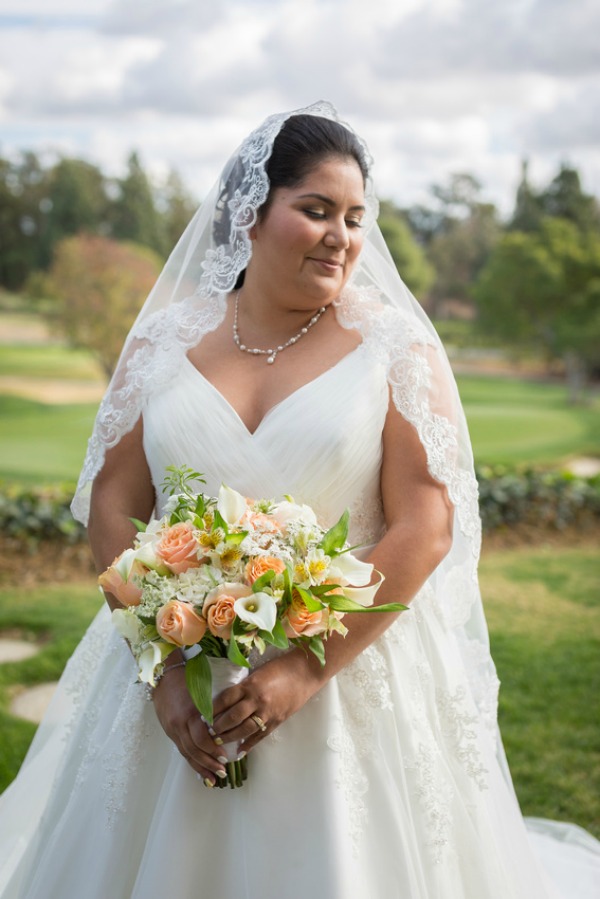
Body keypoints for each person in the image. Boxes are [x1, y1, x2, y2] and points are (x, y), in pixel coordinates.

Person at [0, 101, 598, 899]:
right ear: (249, 215)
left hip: (346, 680)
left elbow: (425, 523)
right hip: (174, 675)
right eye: (315, 209)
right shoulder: (162, 342)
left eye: (354, 217)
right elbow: (113, 501)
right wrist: (163, 666)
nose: (342, 236)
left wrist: (306, 668)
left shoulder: (395, 346)